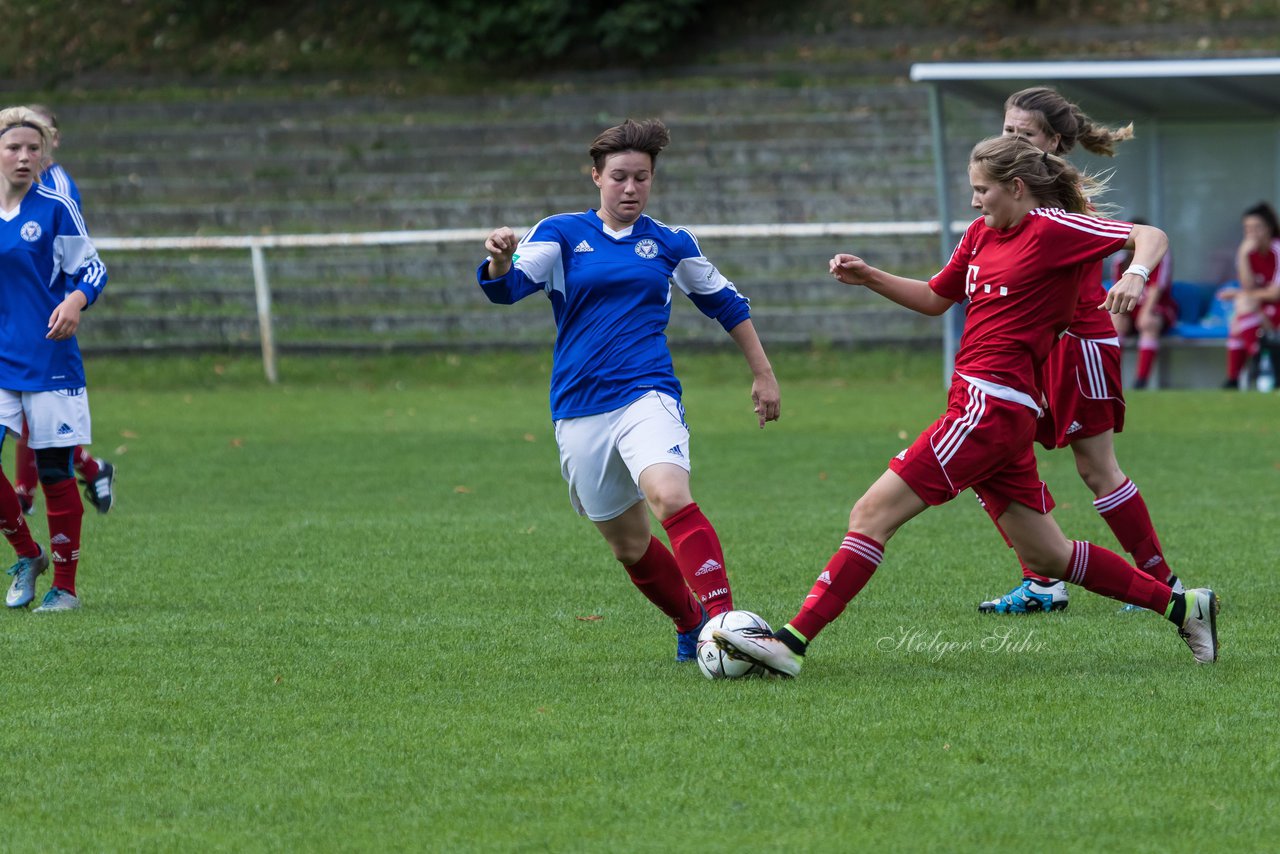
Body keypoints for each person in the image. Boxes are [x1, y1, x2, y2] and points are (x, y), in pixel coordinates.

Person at [711, 136, 1218, 677]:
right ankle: (1183, 606)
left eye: (982, 191)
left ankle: (791, 642)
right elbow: (935, 298)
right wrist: (870, 277)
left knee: (870, 514)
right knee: (1048, 557)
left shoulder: (1051, 229)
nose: (974, 202)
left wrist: (1136, 274)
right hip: (997, 412)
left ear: (1016, 188)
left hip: (988, 408)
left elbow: (1149, 235)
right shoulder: (980, 234)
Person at [477, 118, 781, 661]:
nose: (630, 189)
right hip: (578, 408)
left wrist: (763, 373)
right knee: (628, 544)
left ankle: (725, 626)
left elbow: (727, 304)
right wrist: (501, 256)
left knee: (670, 495)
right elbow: (510, 288)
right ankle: (689, 621)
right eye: (619, 177)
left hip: (647, 393)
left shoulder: (669, 242)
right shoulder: (562, 233)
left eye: (641, 178)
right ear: (596, 177)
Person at [978, 87, 1182, 615]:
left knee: (1096, 469)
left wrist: (1136, 274)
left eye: (1023, 134)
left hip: (1078, 348)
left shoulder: (1066, 209)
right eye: (1007, 129)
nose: (1011, 139)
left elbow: (1149, 237)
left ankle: (1163, 584)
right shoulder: (1006, 198)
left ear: (1053, 143)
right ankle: (1042, 581)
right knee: (992, 459)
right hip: (1030, 353)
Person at [0, 105, 108, 612]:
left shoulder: (55, 206)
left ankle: (64, 586)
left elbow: (92, 269)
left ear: (44, 154)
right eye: (13, 148)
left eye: (32, 148)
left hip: (49, 359)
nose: (24, 156)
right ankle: (29, 553)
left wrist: (74, 300)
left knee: (55, 472)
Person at [1109, 219, 1178, 389]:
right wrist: (1118, 313)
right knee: (1115, 321)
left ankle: (1141, 382)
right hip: (1130, 309)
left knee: (1148, 322)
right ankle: (1112, 380)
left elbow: (1156, 288)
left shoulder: (1159, 254)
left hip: (1157, 308)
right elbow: (1117, 288)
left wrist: (1145, 312)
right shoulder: (1119, 260)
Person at [1218, 201, 1280, 389]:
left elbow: (1276, 293)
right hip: (1262, 308)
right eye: (1247, 228)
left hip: (1276, 306)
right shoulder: (1247, 252)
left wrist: (1241, 294)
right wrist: (1243, 255)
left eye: (1257, 227)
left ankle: (1257, 363)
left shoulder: (1277, 249)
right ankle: (1236, 378)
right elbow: (1248, 286)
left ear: (1269, 229)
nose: (1251, 233)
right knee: (1238, 320)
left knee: (1243, 305)